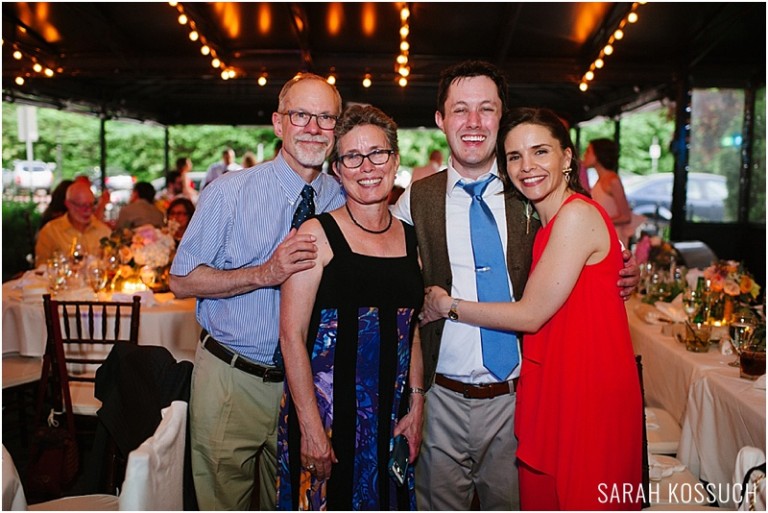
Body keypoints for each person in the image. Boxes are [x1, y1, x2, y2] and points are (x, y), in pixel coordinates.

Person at [391, 60, 639, 511]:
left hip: (520, 397)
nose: (473, 122)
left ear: (501, 118)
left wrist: (621, 270)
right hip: (442, 398)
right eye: (460, 109)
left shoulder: (528, 190)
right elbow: (386, 278)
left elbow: (581, 261)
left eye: (486, 109)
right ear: (440, 120)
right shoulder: (416, 200)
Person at [169, 72, 345, 510]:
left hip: (305, 388)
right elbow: (181, 280)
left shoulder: (341, 199)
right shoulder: (230, 192)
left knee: (291, 503)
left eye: (326, 118)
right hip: (234, 378)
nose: (313, 127)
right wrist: (264, 273)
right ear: (278, 123)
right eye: (301, 114)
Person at [277, 104, 424, 511]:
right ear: (337, 170)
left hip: (389, 420)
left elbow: (409, 329)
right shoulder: (316, 234)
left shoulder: (413, 241)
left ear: (394, 161)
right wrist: (309, 427)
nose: (367, 167)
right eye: (352, 157)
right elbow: (291, 336)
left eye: (378, 153)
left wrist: (417, 403)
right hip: (325, 418)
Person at [583, 138, 644, 248]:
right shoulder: (600, 180)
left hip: (614, 239)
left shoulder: (612, 180)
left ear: (598, 155)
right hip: (603, 236)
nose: (584, 155)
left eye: (588, 151)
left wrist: (597, 221)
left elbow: (625, 216)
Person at [35, 180, 111, 266]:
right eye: (82, 206)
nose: (88, 211)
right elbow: (41, 269)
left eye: (91, 205)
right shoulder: (51, 232)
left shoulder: (104, 232)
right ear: (68, 204)